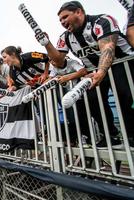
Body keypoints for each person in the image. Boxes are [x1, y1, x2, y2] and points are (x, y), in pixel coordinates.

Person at [39, 1, 134, 147]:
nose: (62, 22)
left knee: (125, 95)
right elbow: (58, 60)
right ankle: (110, 136)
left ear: (78, 12)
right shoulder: (65, 37)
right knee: (90, 100)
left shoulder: (102, 21)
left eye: (65, 17)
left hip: (123, 63)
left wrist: (101, 71)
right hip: (95, 71)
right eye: (60, 20)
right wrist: (46, 43)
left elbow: (108, 48)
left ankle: (131, 136)